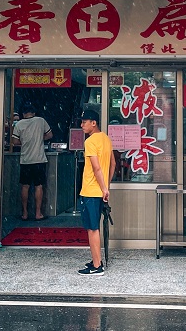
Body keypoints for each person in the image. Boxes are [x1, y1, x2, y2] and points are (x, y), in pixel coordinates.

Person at [77, 109, 115, 276]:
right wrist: (106, 186)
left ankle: (97, 266)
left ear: (94, 123)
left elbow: (96, 167)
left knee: (92, 229)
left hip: (90, 191)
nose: (82, 125)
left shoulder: (90, 141)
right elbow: (113, 164)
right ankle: (96, 260)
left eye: (84, 122)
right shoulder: (106, 138)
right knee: (95, 226)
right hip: (99, 191)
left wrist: (104, 188)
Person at [12, 103, 53, 221]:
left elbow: (14, 141)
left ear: (23, 113)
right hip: (39, 160)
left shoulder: (19, 124)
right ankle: (38, 213)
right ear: (34, 112)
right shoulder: (40, 121)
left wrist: (25, 141)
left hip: (25, 160)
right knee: (38, 186)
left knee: (25, 186)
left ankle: (25, 213)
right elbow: (50, 135)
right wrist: (39, 138)